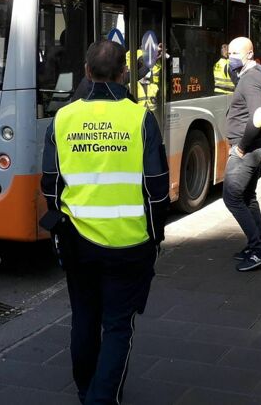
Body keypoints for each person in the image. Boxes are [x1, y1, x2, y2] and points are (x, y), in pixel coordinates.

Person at [41, 40, 169, 405]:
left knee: (83, 319)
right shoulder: (140, 117)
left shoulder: (63, 117)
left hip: (77, 242)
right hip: (129, 245)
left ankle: (86, 390)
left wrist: (60, 224)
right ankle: (102, 398)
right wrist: (156, 235)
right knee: (117, 326)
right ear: (124, 74)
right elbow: (157, 190)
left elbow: (50, 183)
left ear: (85, 72)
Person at [223, 36, 261, 272]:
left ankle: (258, 251)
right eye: (229, 53)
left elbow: (258, 116)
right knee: (247, 197)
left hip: (249, 149)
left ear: (249, 54)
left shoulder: (251, 80)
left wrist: (242, 147)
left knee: (232, 197)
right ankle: (256, 244)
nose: (231, 58)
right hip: (256, 146)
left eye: (236, 54)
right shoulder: (253, 76)